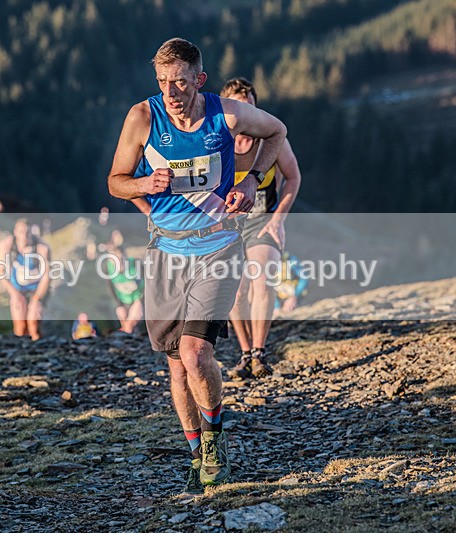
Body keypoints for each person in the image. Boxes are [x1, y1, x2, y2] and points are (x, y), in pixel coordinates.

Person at [107, 38, 287, 494]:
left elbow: (277, 132)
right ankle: (195, 452)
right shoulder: (143, 117)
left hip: (218, 247)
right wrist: (145, 182)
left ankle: (214, 440)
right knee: (175, 367)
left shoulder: (225, 113)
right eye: (164, 82)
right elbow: (115, 182)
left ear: (199, 81)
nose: (172, 92)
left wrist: (249, 181)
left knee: (195, 354)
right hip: (166, 252)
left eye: (181, 82)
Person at [220, 77, 302, 381]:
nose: (246, 114)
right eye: (238, 107)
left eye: (250, 107)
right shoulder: (217, 142)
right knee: (235, 290)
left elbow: (293, 178)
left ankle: (259, 352)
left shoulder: (270, 139)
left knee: (262, 280)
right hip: (227, 226)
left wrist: (278, 219)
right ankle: (244, 353)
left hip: (261, 220)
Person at [0, 218, 50, 341]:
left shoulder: (41, 247)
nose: (24, 236)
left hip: (36, 288)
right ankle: (22, 353)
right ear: (15, 232)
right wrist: (13, 293)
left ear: (32, 232)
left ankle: (38, 349)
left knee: (33, 323)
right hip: (16, 288)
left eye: (27, 232)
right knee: (20, 326)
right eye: (21, 232)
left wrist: (37, 298)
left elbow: (47, 276)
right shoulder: (7, 245)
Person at [100, 230, 144, 334]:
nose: (119, 264)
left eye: (121, 260)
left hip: (139, 299)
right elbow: (110, 288)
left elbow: (148, 283)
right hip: (123, 300)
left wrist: (140, 301)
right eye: (115, 262)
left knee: (130, 326)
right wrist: (119, 305)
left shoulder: (136, 264)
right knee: (125, 323)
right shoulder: (108, 269)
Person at [272, 251, 309, 319]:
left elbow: (304, 278)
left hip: (292, 293)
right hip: (276, 296)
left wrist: (294, 296)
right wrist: (276, 306)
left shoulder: (290, 260)